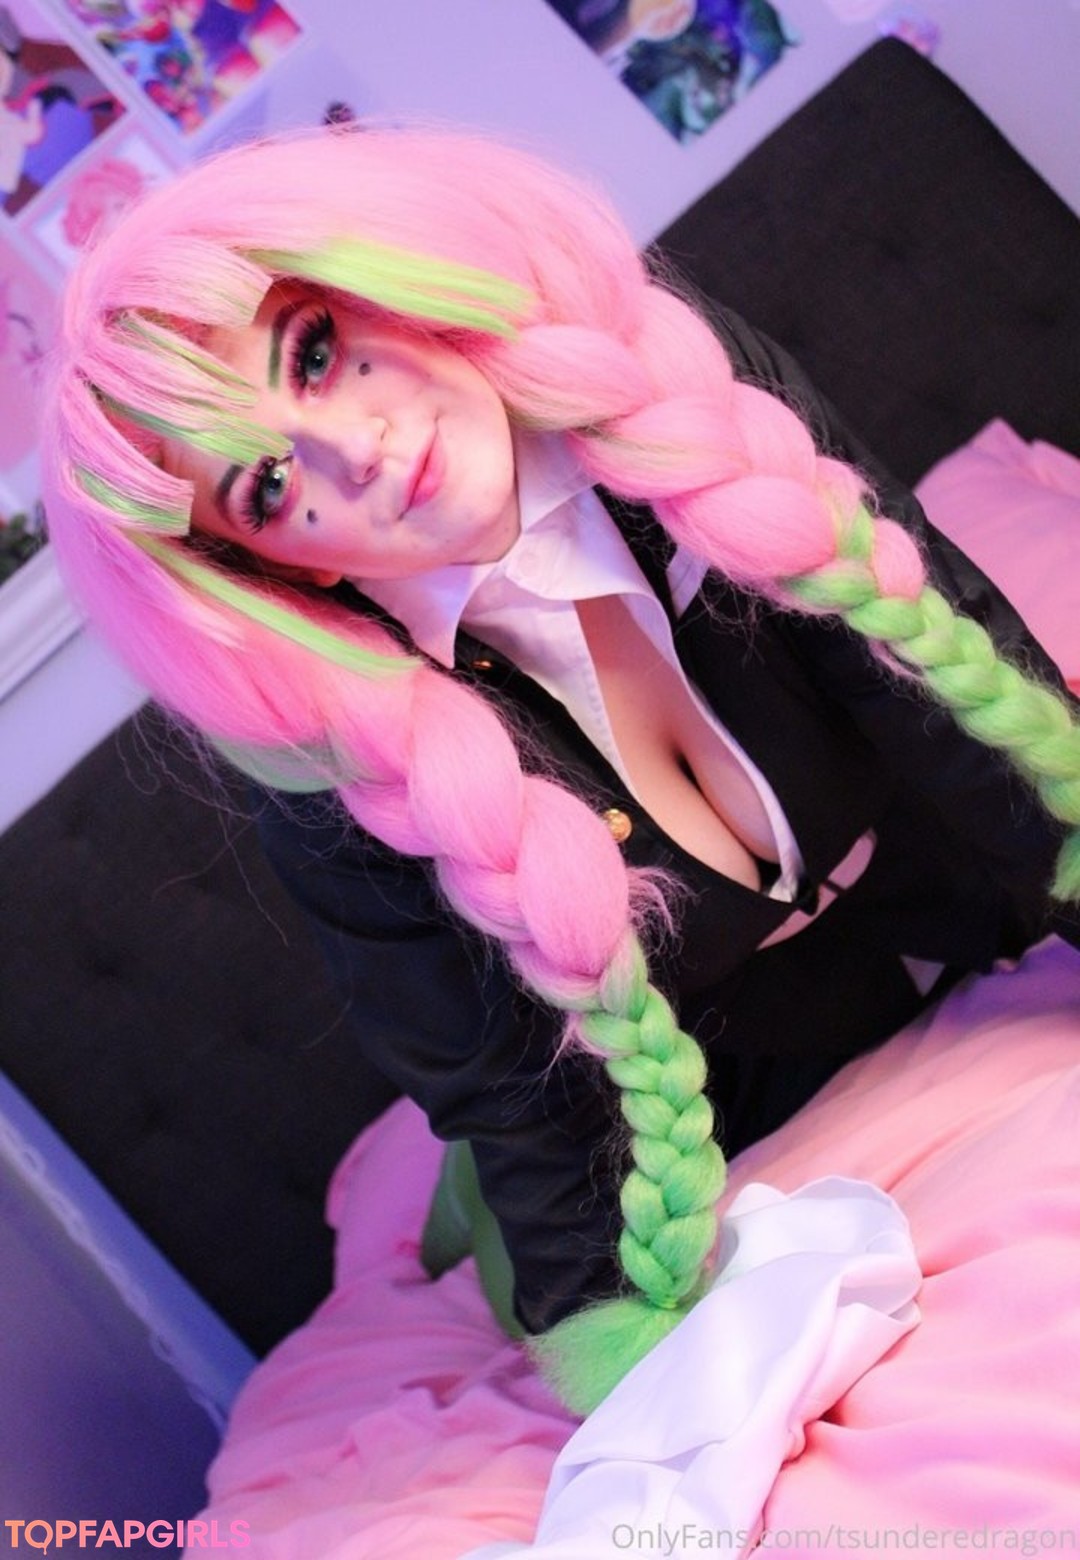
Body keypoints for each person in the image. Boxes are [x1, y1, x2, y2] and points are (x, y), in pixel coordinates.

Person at [41, 124, 1080, 1417]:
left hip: (934, 883)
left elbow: (943, 675)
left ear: (390, 287)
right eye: (265, 484)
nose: (356, 450)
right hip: (717, 1065)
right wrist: (618, 1348)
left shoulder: (681, 393)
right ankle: (447, 1210)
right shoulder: (328, 770)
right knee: (493, 1193)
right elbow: (509, 1087)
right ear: (274, 568)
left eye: (312, 352)